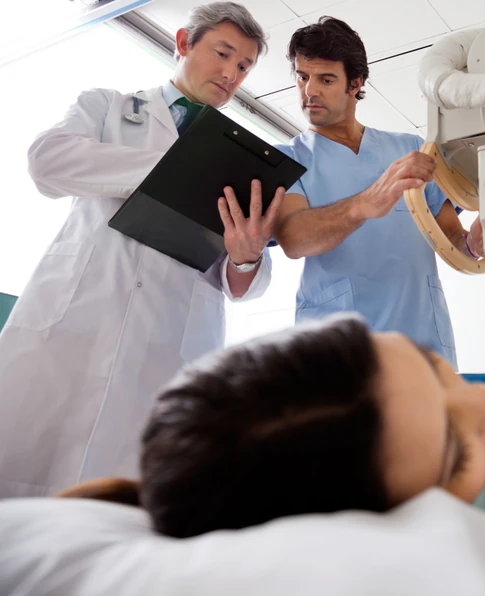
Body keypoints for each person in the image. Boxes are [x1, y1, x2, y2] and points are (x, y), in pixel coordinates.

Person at [67, 314, 485, 568]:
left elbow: (473, 404)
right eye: (456, 454)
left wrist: (451, 414)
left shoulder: (459, 407)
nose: (484, 399)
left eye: (432, 364)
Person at [0, 2, 283, 499]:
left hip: (165, 348)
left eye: (244, 66)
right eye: (223, 54)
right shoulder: (107, 108)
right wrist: (172, 170)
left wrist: (247, 255)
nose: (231, 74)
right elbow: (48, 163)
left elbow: (242, 282)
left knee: (127, 511)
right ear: (183, 43)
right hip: (75, 325)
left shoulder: (238, 161)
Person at [273, 17, 485, 369]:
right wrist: (365, 203)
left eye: (326, 79)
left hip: (423, 345)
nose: (309, 90)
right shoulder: (289, 159)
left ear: (355, 83)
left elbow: (452, 237)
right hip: (337, 358)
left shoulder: (410, 150)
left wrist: (475, 244)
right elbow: (293, 239)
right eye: (302, 76)